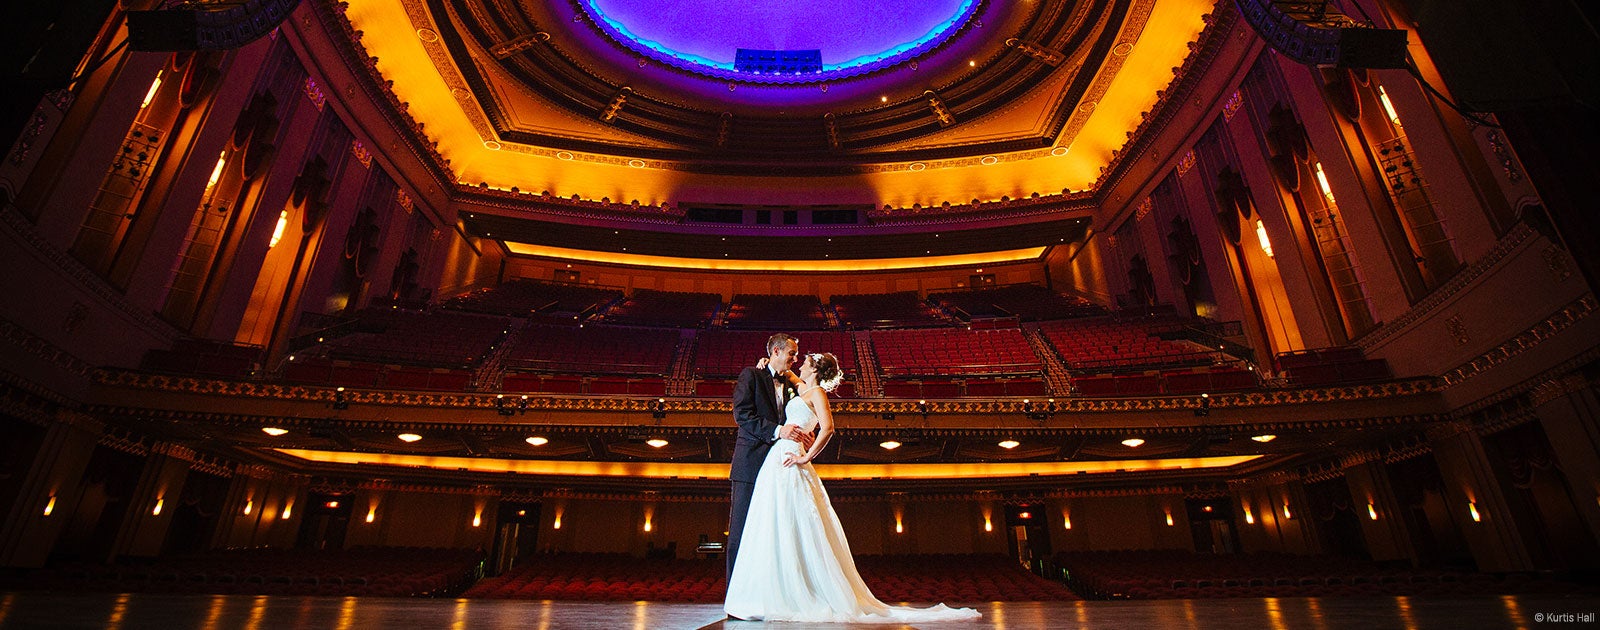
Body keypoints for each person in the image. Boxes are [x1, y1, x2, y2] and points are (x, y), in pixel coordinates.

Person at [724, 352, 982, 623]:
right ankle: (769, 593)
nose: (798, 361)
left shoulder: (818, 394)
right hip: (774, 461)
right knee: (770, 524)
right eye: (794, 356)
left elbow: (828, 428)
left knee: (797, 523)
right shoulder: (801, 387)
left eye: (804, 360)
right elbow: (784, 373)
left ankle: (800, 593)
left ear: (814, 368)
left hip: (792, 458)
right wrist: (765, 363)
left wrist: (806, 455)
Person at [728, 333, 814, 579]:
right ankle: (735, 595)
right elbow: (742, 415)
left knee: (773, 533)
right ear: (775, 352)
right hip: (751, 464)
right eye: (792, 353)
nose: (795, 359)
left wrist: (803, 435)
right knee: (741, 530)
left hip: (779, 467)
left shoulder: (791, 385)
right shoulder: (752, 375)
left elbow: (798, 418)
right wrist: (779, 430)